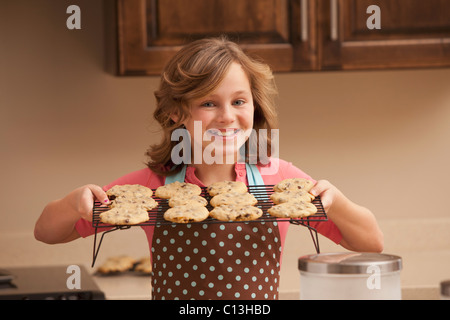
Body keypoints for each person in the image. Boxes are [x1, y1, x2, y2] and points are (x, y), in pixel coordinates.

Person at [34, 37, 383, 300]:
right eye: (208, 103)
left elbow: (370, 243)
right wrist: (73, 202)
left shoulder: (279, 179)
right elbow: (47, 232)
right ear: (176, 112)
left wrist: (335, 201)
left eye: (239, 101)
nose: (227, 116)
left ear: (255, 106)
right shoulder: (153, 185)